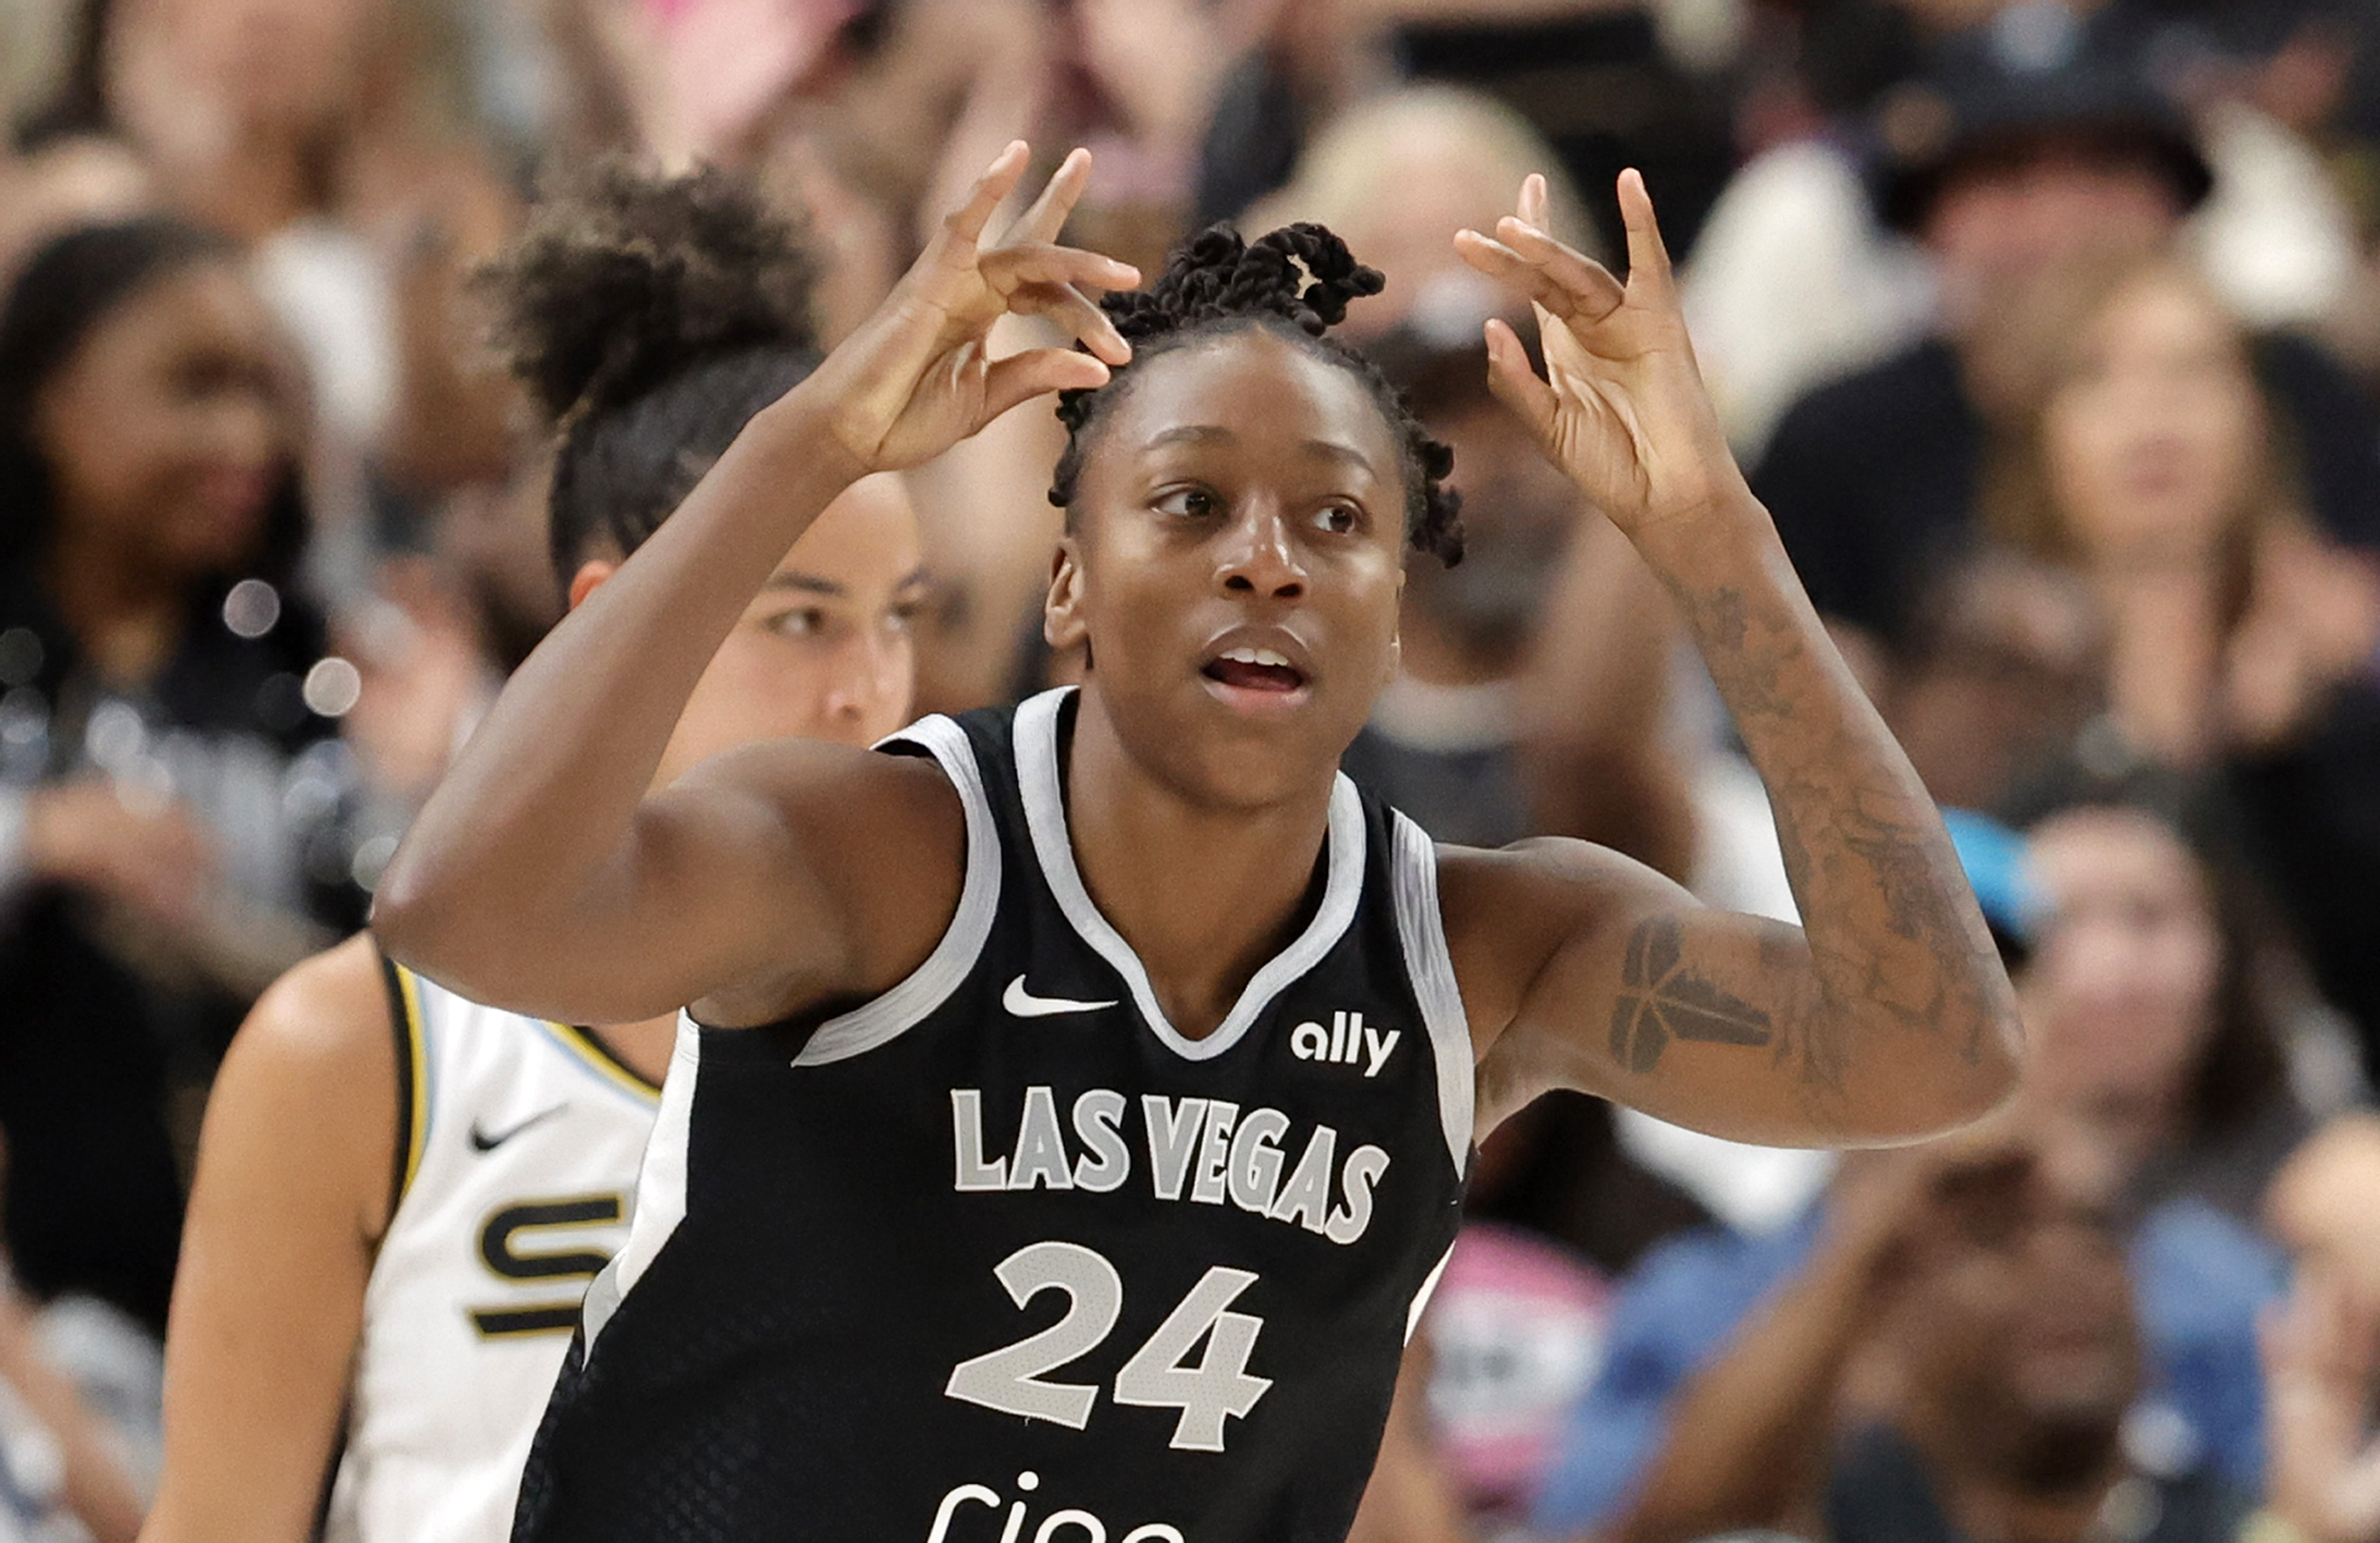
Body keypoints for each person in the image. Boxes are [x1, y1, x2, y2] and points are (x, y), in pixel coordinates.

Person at [374, 142, 2021, 1542]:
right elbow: (463, 913)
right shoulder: (885, 848)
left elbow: (1932, 1056)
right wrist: (813, 440)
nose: (1267, 561)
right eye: (1187, 503)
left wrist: (1712, 536)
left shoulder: (1481, 955)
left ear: (1390, 624)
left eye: (1335, 520)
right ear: (1067, 586)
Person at [137, 165, 928, 1543]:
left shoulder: (971, 1013)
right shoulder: (358, 1046)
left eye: (902, 618)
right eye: (802, 621)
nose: (868, 687)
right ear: (620, 621)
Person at [0, 216, 377, 1338]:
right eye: (194, 387)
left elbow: (398, 975)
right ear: (47, 401)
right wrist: (40, 838)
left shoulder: (307, 668)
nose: (246, 436)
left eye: (266, 393)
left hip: (274, 1311)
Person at [1606, 1112, 2255, 1543]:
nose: (2061, 1270)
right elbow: (1665, 1529)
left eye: (2097, 1230)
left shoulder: (2219, 1513)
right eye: (2000, 1238)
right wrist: (1867, 1253)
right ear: (1899, 1304)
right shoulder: (1858, 1499)